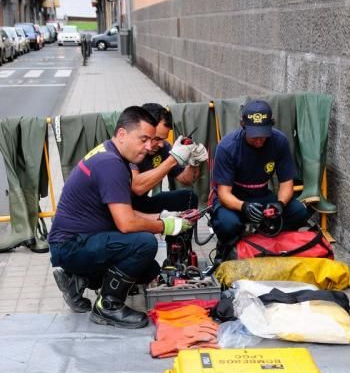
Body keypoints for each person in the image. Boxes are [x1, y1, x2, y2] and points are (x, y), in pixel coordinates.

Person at [48, 106, 199, 329]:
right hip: (70, 245)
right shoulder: (111, 164)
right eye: (144, 139)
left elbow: (123, 212)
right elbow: (126, 223)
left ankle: (79, 278)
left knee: (149, 270)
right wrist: (164, 226)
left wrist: (162, 215)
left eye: (151, 140)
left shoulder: (110, 153)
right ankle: (108, 306)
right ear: (121, 134)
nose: (149, 147)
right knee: (144, 243)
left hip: (81, 238)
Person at [210, 99, 310, 253]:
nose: (259, 140)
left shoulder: (279, 142)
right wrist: (244, 207)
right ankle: (226, 248)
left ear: (271, 125)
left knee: (299, 212)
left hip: (262, 196)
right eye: (254, 136)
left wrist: (280, 204)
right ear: (243, 126)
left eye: (263, 135)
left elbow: (286, 183)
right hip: (234, 200)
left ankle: (266, 241)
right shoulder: (227, 147)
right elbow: (224, 194)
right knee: (228, 224)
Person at [130, 102, 207, 215]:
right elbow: (137, 186)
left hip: (142, 203)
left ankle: (180, 231)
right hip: (122, 210)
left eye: (163, 139)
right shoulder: (129, 147)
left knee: (188, 198)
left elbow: (186, 180)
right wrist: (173, 159)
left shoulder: (162, 147)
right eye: (156, 138)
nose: (161, 144)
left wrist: (194, 162)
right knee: (148, 233)